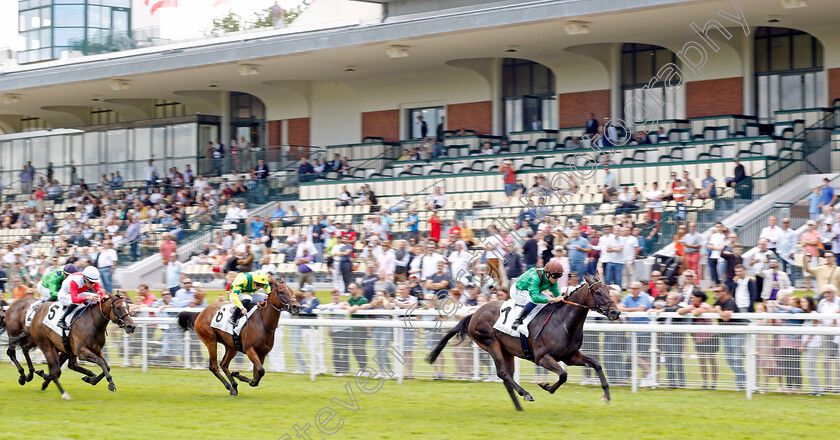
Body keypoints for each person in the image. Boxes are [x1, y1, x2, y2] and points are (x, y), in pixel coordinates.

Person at [678, 291, 718, 389]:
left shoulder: (704, 305)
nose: (691, 299)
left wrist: (690, 309)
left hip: (710, 336)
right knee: (702, 360)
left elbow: (696, 313)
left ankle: (714, 384)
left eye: (693, 297)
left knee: (712, 360)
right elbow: (680, 311)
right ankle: (705, 383)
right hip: (699, 337)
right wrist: (690, 308)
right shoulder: (692, 306)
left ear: (699, 298)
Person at [509, 261, 565, 331]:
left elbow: (557, 296)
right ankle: (518, 320)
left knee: (548, 298)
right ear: (547, 274)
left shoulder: (552, 280)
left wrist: (561, 299)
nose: (556, 279)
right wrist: (554, 299)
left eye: (559, 276)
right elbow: (535, 298)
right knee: (534, 301)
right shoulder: (535, 277)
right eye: (555, 276)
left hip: (530, 290)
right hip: (517, 291)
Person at [618, 281, 654, 386]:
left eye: (634, 288)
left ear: (639, 289)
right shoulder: (628, 297)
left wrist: (626, 310)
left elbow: (641, 309)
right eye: (631, 288)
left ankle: (645, 379)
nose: (632, 290)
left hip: (644, 331)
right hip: (633, 331)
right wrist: (627, 310)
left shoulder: (645, 297)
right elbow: (620, 307)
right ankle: (650, 372)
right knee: (630, 354)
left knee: (645, 354)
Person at [713, 283, 747, 391]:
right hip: (726, 335)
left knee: (736, 359)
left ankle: (740, 384)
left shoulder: (730, 302)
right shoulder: (718, 302)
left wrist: (718, 310)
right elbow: (711, 310)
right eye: (715, 291)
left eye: (718, 291)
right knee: (729, 359)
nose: (716, 293)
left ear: (724, 292)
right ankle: (745, 376)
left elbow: (726, 317)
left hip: (736, 334)